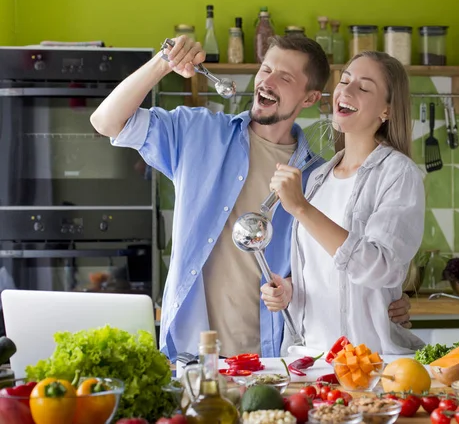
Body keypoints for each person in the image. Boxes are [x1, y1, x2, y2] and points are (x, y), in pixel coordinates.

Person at [90, 35, 413, 361]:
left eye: (285, 77)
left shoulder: (314, 177)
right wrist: (164, 61)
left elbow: (335, 266)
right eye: (266, 69)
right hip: (192, 353)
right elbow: (106, 122)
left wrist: (387, 297)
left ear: (311, 97)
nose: (268, 82)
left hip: (272, 358)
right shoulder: (198, 133)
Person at [261, 51, 426, 354]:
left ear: (387, 110)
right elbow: (323, 272)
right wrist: (289, 289)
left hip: (372, 363)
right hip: (311, 358)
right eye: (345, 81)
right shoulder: (318, 178)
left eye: (363, 87)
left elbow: (381, 269)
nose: (345, 91)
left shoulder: (399, 173)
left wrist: (302, 209)